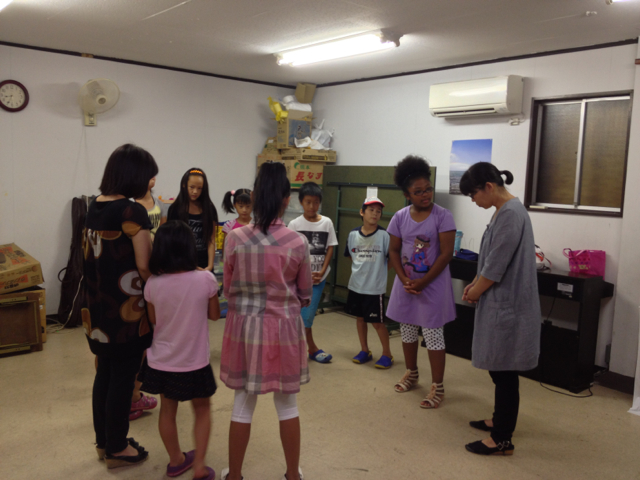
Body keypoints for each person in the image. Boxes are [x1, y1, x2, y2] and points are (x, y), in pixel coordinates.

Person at [219, 162, 312, 480]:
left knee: (242, 403)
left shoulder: (234, 239)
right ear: (288, 199)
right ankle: (292, 474)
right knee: (287, 405)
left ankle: (234, 475)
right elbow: (304, 294)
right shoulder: (298, 242)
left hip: (244, 329)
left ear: (256, 197)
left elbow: (228, 289)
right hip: (283, 329)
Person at [82, 143, 157, 468]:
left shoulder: (95, 205)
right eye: (148, 175)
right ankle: (117, 448)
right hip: (127, 313)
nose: (150, 182)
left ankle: (104, 443)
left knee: (105, 374)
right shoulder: (131, 211)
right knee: (124, 378)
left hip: (98, 311)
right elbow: (145, 267)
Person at [460, 162, 541, 456]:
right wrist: (475, 283)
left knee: (504, 372)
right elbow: (489, 259)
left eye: (473, 194)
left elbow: (496, 266)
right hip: (500, 301)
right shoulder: (503, 210)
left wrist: (475, 291)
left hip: (509, 306)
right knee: (499, 369)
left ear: (489, 187)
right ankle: (499, 420)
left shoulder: (510, 214)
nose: (473, 200)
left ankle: (502, 438)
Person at [139, 220, 220, 479]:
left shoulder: (153, 283)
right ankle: (199, 467)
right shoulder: (205, 279)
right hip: (194, 360)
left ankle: (176, 460)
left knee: (167, 410)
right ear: (189, 248)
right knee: (202, 409)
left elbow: (154, 319)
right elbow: (214, 315)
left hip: (163, 359)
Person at [387, 155, 456, 409]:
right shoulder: (399, 217)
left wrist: (423, 282)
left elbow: (446, 254)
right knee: (407, 331)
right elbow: (394, 250)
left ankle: (438, 385)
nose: (425, 195)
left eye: (428, 189)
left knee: (433, 334)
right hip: (406, 285)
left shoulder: (443, 216)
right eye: (418, 192)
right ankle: (412, 373)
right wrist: (404, 279)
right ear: (407, 195)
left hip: (432, 286)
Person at [288, 182, 338, 364]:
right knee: (297, 316)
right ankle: (308, 349)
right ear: (301, 202)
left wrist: (323, 270)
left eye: (316, 202)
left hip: (318, 280)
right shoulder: (294, 224)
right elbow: (290, 252)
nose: (312, 206)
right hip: (298, 280)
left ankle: (306, 349)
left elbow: (330, 247)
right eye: (308, 202)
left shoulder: (327, 222)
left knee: (307, 317)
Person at [344, 196, 393, 369]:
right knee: (360, 319)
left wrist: (378, 273)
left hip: (374, 288)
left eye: (378, 211)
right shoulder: (353, 234)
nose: (375, 214)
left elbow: (391, 259)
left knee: (377, 323)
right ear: (362, 212)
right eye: (371, 210)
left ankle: (387, 354)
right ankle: (365, 350)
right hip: (356, 285)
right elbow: (351, 256)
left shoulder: (384, 235)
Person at [168, 168, 218, 272]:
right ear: (184, 185)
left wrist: (210, 266)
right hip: (182, 263)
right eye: (192, 187)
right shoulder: (175, 209)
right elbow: (172, 241)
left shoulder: (209, 208)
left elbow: (211, 239)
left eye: (199, 188)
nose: (195, 191)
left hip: (204, 263)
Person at [221, 188, 252, 257]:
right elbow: (225, 250)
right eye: (241, 206)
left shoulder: (257, 224)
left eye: (248, 206)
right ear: (234, 205)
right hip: (235, 260)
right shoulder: (229, 226)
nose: (244, 210)